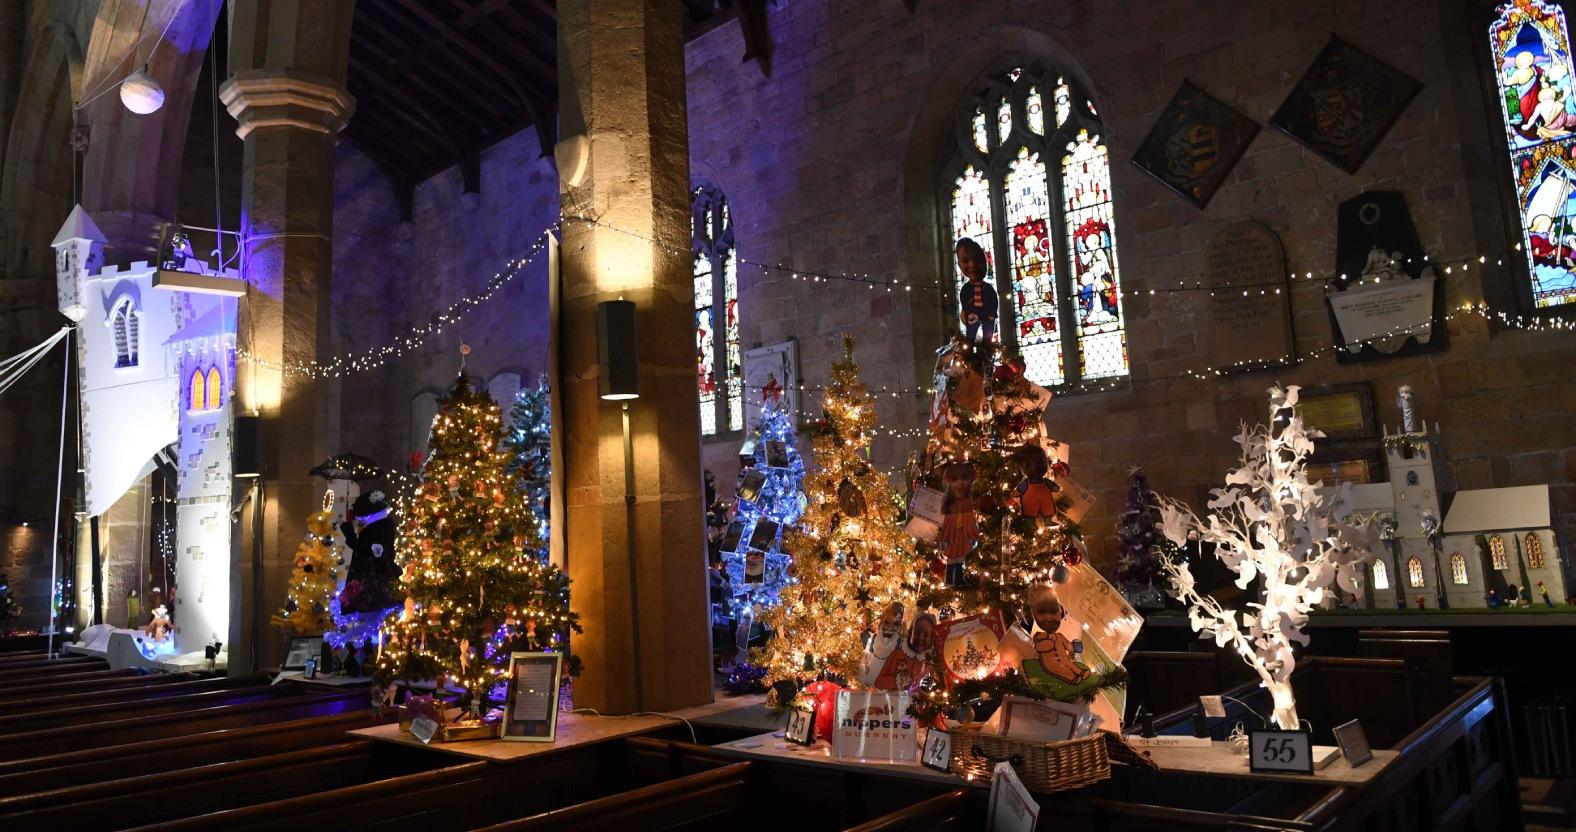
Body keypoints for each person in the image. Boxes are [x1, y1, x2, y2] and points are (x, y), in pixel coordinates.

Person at [938, 461, 979, 586]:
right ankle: (949, 579)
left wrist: (972, 532)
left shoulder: (969, 500)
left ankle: (960, 579)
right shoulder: (949, 501)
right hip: (952, 534)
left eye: (964, 478)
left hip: (963, 533)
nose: (960, 482)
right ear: (949, 481)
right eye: (955, 479)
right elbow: (944, 519)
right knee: (951, 557)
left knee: (960, 557)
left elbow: (971, 517)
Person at [955, 237, 998, 344]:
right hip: (972, 318)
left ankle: (987, 347)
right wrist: (969, 313)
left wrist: (992, 314)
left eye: (976, 260)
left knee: (988, 336)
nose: (971, 265)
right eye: (965, 261)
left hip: (987, 317)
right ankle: (969, 347)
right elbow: (965, 304)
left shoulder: (988, 288)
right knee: (970, 335)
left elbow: (993, 301)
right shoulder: (966, 289)